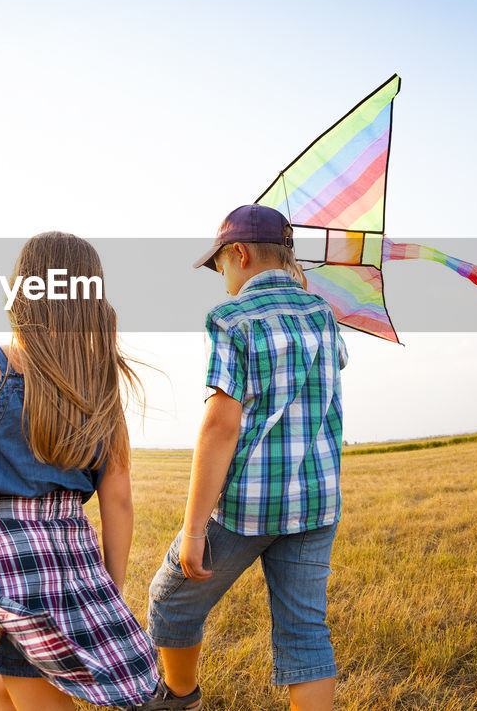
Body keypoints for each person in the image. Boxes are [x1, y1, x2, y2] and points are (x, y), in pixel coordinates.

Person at [0, 231, 158, 710]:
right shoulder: (102, 384)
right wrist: (111, 585)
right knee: (9, 679)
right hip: (73, 554)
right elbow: (117, 500)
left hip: (4, 557)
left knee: (24, 680)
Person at [136, 205, 347, 711]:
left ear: (240, 253)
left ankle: (179, 696)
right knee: (305, 633)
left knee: (170, 600)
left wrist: (192, 531)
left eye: (220, 266)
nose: (222, 279)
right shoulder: (323, 315)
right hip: (316, 502)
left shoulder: (230, 319)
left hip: (247, 507)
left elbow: (220, 425)